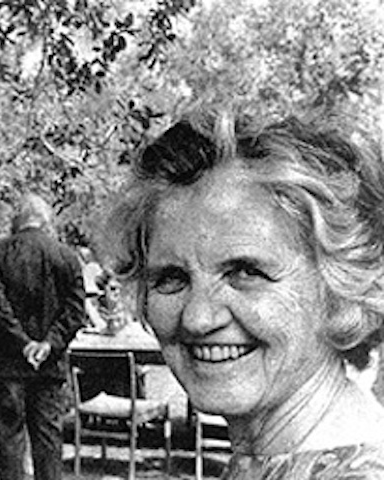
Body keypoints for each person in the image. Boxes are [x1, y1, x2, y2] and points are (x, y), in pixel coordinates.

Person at [105, 107, 384, 478]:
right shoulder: (274, 460)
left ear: (343, 288)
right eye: (171, 278)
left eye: (245, 272)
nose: (198, 318)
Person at [0, 194, 86, 480]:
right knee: (48, 442)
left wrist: (24, 343)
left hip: (6, 364)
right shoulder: (67, 256)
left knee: (10, 441)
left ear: (17, 219)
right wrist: (48, 344)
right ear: (46, 220)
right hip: (48, 365)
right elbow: (75, 312)